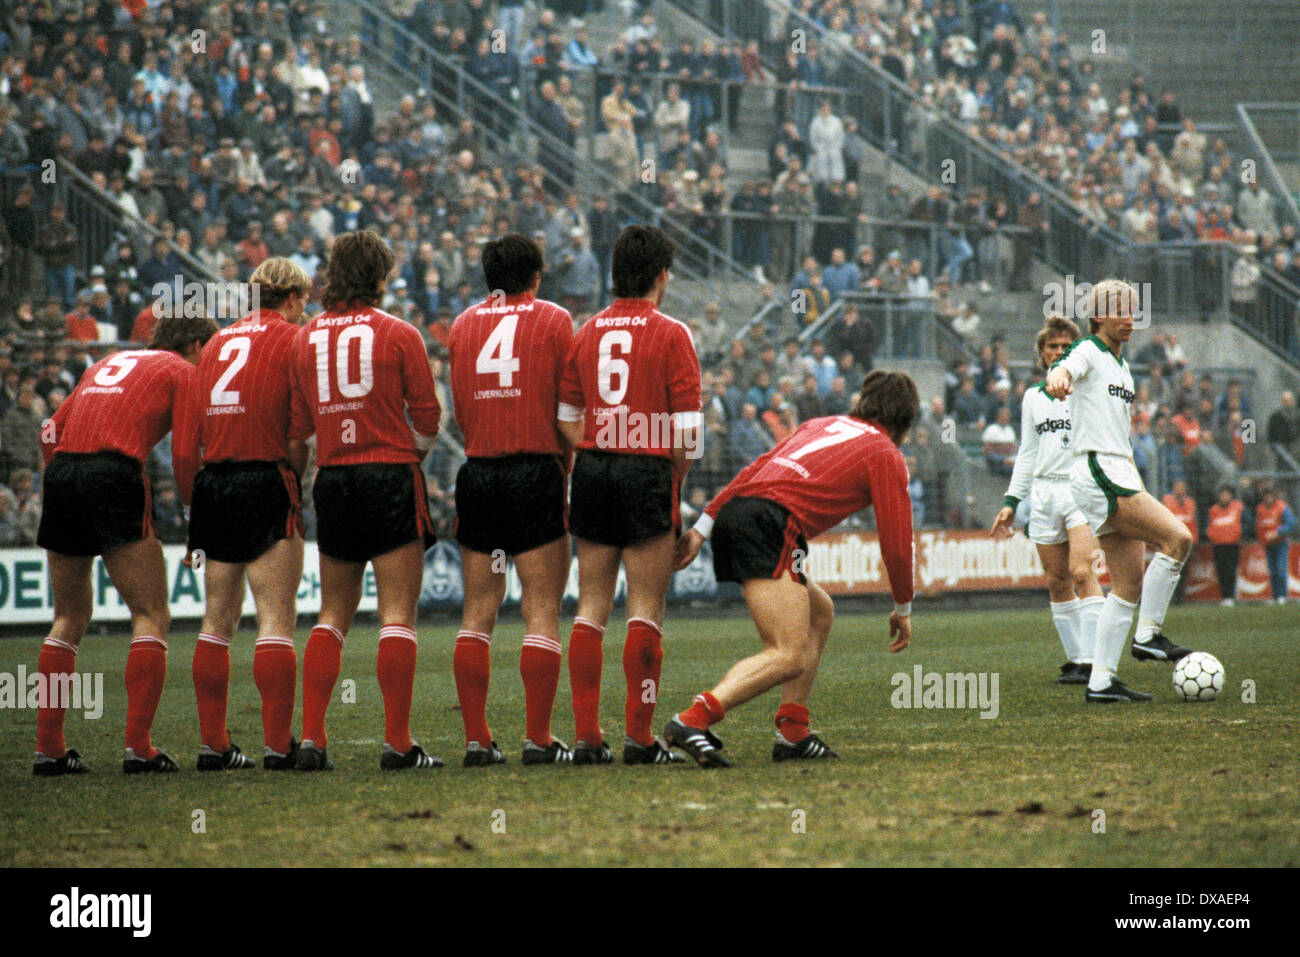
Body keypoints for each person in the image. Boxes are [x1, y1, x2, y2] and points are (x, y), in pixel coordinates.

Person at [666, 371, 918, 767]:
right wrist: (903, 607)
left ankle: (792, 730)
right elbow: (898, 544)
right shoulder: (885, 453)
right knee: (788, 654)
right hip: (771, 524)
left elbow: (755, 470)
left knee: (820, 612)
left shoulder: (821, 424)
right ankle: (693, 719)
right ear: (905, 420)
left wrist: (702, 527)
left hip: (742, 513)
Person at [32, 315, 216, 776]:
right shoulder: (183, 371)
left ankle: (49, 748)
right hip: (114, 473)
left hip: (64, 471)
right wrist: (196, 517)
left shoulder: (110, 360)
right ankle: (139, 747)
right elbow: (183, 454)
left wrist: (61, 477)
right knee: (151, 614)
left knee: (69, 616)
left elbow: (49, 431)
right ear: (195, 345)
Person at [288, 230, 443, 771]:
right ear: (379, 277)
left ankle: (311, 738)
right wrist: (411, 456)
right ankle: (398, 743)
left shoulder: (303, 338)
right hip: (389, 473)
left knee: (332, 612)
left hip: (333, 478)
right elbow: (428, 417)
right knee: (397, 612)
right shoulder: (400, 333)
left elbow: (301, 426)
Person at [557, 224, 702, 766]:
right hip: (647, 472)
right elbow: (688, 435)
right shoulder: (671, 333)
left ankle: (588, 737)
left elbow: (566, 417)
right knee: (646, 606)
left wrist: (600, 445)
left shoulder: (586, 331)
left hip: (593, 469)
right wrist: (671, 478)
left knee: (591, 604)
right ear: (662, 275)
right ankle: (640, 738)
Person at [448, 235, 575, 766]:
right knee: (540, 610)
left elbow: (459, 411)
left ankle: (478, 740)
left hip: (479, 473)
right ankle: (539, 739)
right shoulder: (554, 320)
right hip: (534, 471)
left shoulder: (461, 326)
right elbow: (568, 407)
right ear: (537, 276)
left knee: (477, 611)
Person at [186, 259, 312, 772]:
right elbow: (299, 433)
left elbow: (196, 425)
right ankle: (279, 745)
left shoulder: (215, 344)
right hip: (265, 476)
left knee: (216, 619)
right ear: (295, 298)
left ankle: (213, 744)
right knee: (276, 617)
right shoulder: (294, 341)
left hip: (215, 480)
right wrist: (293, 476)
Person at [1046, 280, 1193, 704]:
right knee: (1177, 538)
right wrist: (1057, 377)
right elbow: (1065, 367)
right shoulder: (1089, 350)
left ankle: (1102, 681)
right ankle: (1148, 635)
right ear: (1098, 318)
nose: (1129, 319)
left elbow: (1120, 436)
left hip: (1117, 469)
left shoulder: (1123, 368)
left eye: (1133, 311)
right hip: (1097, 468)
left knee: (1127, 582)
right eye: (1120, 312)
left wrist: (1136, 481)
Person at [991, 317, 1104, 685]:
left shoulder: (1087, 390)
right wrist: (1011, 501)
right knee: (1057, 581)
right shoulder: (1032, 398)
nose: (1058, 351)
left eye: (1065, 346)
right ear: (1042, 353)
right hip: (1042, 493)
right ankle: (1076, 660)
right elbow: (1027, 451)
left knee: (1082, 572)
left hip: (1078, 489)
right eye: (1052, 346)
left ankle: (1095, 661)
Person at [1255, 484, 1295, 604]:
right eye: (1266, 496)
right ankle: (1275, 596)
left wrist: (1278, 532)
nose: (1268, 498)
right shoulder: (1260, 509)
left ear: (1274, 496)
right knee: (1272, 570)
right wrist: (1261, 538)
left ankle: (1282, 595)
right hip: (1268, 544)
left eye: (1270, 496)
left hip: (1281, 542)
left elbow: (1291, 523)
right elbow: (1258, 525)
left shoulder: (1282, 507)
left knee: (1280, 568)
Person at [1206, 485, 1244, 607]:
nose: (1224, 497)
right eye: (1222, 495)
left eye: (1226, 495)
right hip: (1218, 545)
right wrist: (1211, 535)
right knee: (1221, 570)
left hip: (1233, 544)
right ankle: (1224, 596)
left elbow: (1246, 521)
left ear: (1231, 496)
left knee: (1231, 570)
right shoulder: (1214, 510)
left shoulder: (1237, 507)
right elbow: (1209, 525)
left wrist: (1241, 533)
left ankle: (1231, 596)